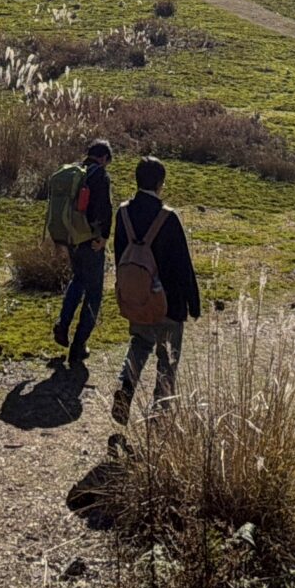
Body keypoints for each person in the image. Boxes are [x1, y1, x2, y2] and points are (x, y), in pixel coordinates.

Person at [110, 155, 200, 424]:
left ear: (136, 180)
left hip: (137, 297)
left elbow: (119, 254)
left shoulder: (123, 213)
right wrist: (193, 302)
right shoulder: (168, 217)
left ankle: (125, 388)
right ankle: (159, 413)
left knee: (139, 344)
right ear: (161, 183)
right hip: (169, 302)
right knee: (167, 359)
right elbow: (183, 264)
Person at [51, 138, 115, 364]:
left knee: (78, 280)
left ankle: (63, 324)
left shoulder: (73, 172)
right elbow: (105, 209)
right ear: (104, 158)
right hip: (90, 240)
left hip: (71, 238)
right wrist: (104, 237)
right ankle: (79, 344)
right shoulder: (100, 175)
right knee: (94, 292)